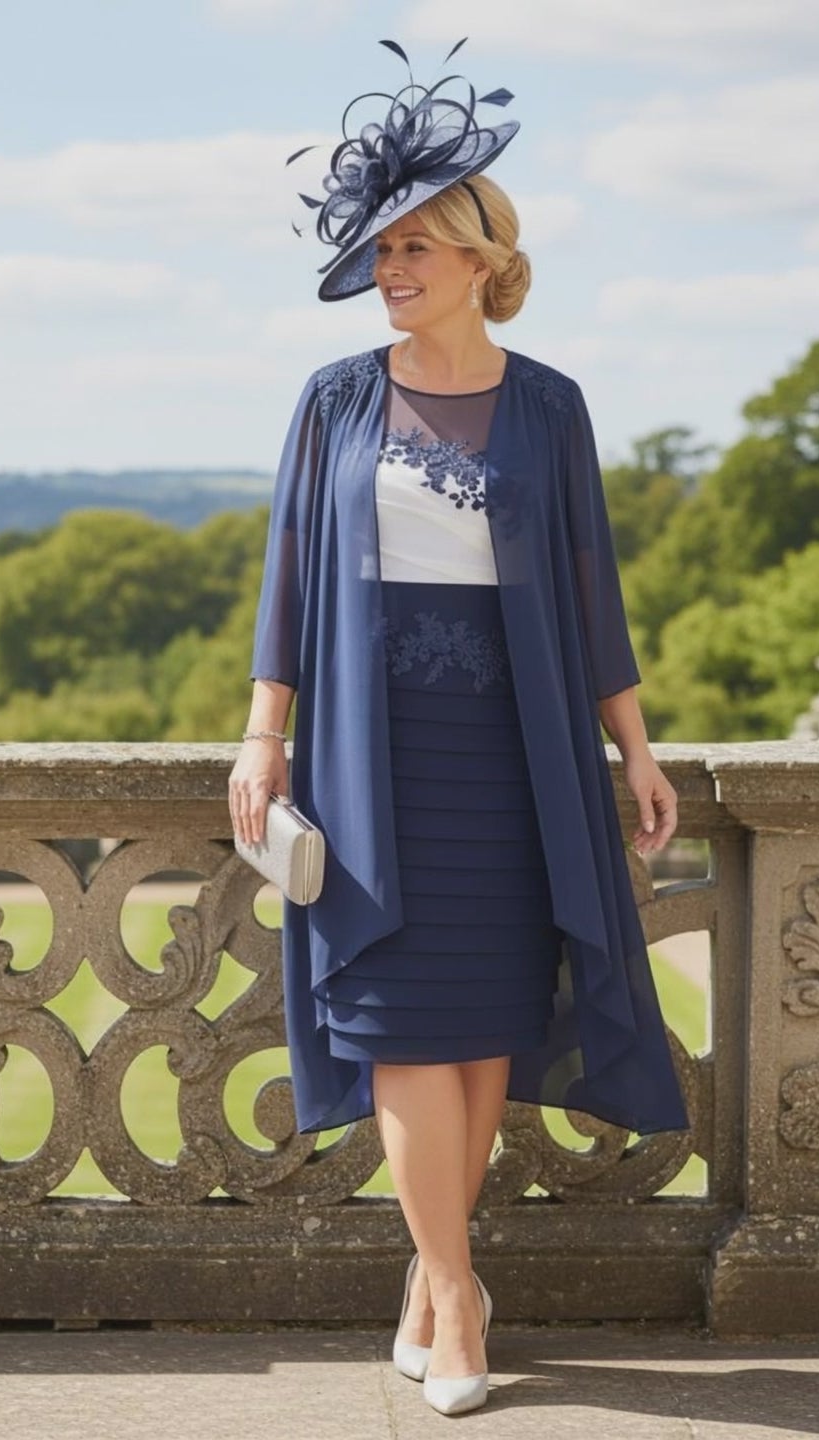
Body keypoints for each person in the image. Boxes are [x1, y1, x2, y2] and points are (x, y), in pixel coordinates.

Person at [228, 38, 690, 1418]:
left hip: (519, 761)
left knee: (483, 1027)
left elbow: (593, 590)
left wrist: (637, 746)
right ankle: (463, 1298)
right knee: (406, 1024)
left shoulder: (551, 407)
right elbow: (290, 581)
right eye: (382, 248)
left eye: (419, 245)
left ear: (483, 258)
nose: (394, 266)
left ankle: (439, 1285)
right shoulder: (333, 401)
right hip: (376, 762)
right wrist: (265, 738)